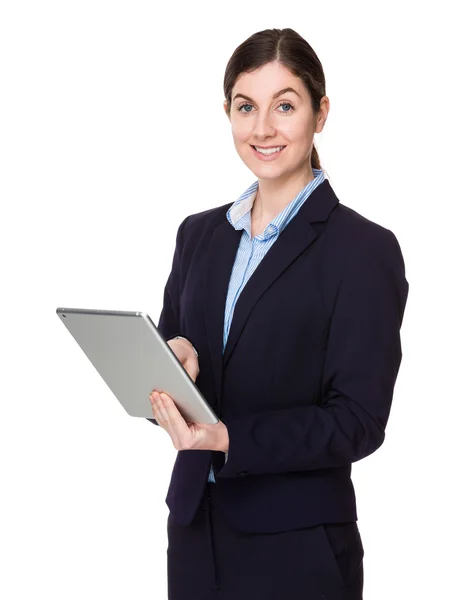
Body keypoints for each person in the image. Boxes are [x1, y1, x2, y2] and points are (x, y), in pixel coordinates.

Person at [147, 27, 409, 600]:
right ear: (228, 113)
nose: (262, 128)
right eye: (246, 107)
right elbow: (171, 366)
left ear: (320, 115)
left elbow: (358, 421)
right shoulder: (199, 235)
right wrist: (175, 362)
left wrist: (228, 438)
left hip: (298, 548)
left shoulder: (362, 250)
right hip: (194, 531)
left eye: (284, 105)